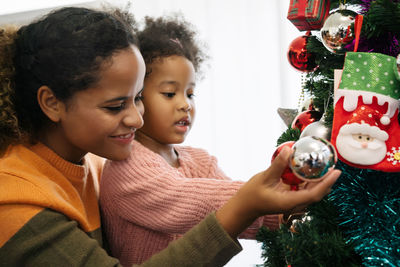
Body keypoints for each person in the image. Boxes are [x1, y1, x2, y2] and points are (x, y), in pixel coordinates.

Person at [0, 6, 340, 267]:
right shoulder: (15, 203)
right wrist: (247, 203)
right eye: (116, 105)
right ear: (51, 102)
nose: (136, 117)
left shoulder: (85, 160)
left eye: (136, 98)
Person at [99, 14, 338, 266]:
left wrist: (287, 208)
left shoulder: (200, 160)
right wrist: (267, 194)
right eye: (169, 93)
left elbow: (245, 214)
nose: (185, 105)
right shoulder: (125, 167)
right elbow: (195, 202)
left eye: (190, 94)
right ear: (137, 96)